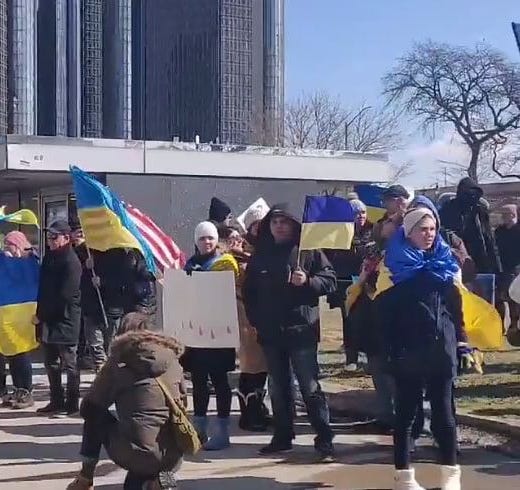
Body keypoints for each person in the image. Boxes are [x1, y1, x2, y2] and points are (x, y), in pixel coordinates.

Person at [380, 208, 466, 490]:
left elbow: (457, 309)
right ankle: (404, 476)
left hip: (442, 350)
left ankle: (450, 474)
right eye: (422, 229)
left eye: (432, 229)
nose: (428, 234)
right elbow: (383, 314)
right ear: (408, 233)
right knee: (406, 414)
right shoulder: (392, 267)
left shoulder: (446, 264)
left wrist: (462, 343)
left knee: (444, 414)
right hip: (408, 351)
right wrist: (389, 352)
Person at [243, 204, 337, 459]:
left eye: (284, 222)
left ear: (294, 225)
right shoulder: (261, 254)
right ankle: (283, 436)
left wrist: (308, 281)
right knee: (278, 387)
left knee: (309, 386)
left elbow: (330, 280)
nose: (279, 226)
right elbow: (249, 292)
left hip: (301, 330)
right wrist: (256, 321)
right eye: (274, 222)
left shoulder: (308, 250)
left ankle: (324, 438)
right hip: (271, 333)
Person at [66, 312, 184, 490]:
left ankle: (85, 478)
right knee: (142, 472)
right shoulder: (173, 360)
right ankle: (163, 479)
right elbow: (182, 403)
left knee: (95, 414)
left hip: (138, 452)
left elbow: (89, 407)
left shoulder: (120, 362)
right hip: (174, 452)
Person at [182, 221, 238, 450]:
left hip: (219, 332)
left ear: (216, 240)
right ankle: (199, 428)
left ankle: (222, 431)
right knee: (198, 381)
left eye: (210, 238)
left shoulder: (225, 263)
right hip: (196, 331)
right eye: (202, 238)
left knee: (220, 381)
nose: (206, 242)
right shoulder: (191, 264)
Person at [219, 225, 270, 432]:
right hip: (245, 318)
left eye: (239, 238)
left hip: (260, 316)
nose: (238, 241)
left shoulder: (252, 254)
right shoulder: (228, 261)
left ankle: (257, 410)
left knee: (260, 368)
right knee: (252, 367)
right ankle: (250, 415)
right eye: (232, 238)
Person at [35, 220, 82, 416]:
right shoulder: (49, 258)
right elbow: (43, 289)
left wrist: (43, 315)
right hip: (48, 319)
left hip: (65, 319)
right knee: (51, 363)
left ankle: (72, 403)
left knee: (69, 364)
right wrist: (40, 314)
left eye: (54, 237)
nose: (51, 241)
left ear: (66, 238)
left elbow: (66, 295)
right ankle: (56, 400)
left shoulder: (71, 261)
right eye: (49, 237)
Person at [326, 198, 374, 370]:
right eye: (356, 213)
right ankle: (351, 358)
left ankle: (370, 356)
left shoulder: (373, 230)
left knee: (369, 319)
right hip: (346, 282)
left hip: (368, 282)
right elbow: (331, 257)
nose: (360, 216)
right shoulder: (339, 232)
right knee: (349, 320)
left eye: (363, 212)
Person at [0, 231, 38, 409]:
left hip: (24, 316)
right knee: (10, 353)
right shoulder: (5, 262)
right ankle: (16, 390)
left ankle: (25, 391)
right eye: (5, 245)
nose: (7, 248)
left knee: (20, 354)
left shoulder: (31, 261)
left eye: (10, 245)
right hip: (7, 316)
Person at [440, 177, 501, 274]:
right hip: (456, 261)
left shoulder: (480, 211)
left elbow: (489, 239)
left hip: (481, 261)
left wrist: (497, 269)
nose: (471, 196)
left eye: (474, 194)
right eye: (468, 193)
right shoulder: (447, 209)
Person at [495, 204, 520, 330]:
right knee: (506, 297)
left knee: (515, 297)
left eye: (506, 214)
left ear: (513, 215)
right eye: (502, 214)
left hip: (517, 268)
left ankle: (515, 323)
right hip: (504, 268)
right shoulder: (499, 231)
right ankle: (508, 325)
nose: (503, 217)